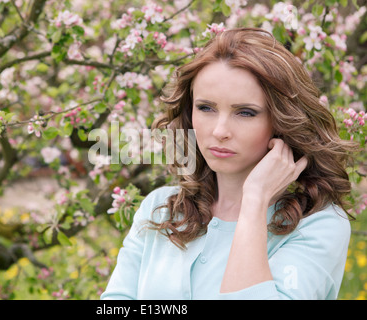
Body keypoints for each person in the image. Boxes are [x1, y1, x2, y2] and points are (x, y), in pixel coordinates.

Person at [100, 28, 358, 300]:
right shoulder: (160, 209)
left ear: (282, 121)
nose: (220, 130)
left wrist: (255, 201)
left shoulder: (319, 226)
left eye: (245, 112)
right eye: (206, 108)